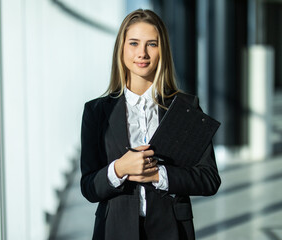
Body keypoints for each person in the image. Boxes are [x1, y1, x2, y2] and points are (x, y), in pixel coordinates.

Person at [80, 9, 221, 240]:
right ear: (121, 48)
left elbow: (209, 179)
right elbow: (89, 187)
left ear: (162, 50)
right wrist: (120, 169)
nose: (142, 53)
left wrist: (158, 175)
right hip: (115, 231)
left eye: (152, 44)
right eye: (134, 43)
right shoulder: (96, 112)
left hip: (172, 230)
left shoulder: (185, 108)